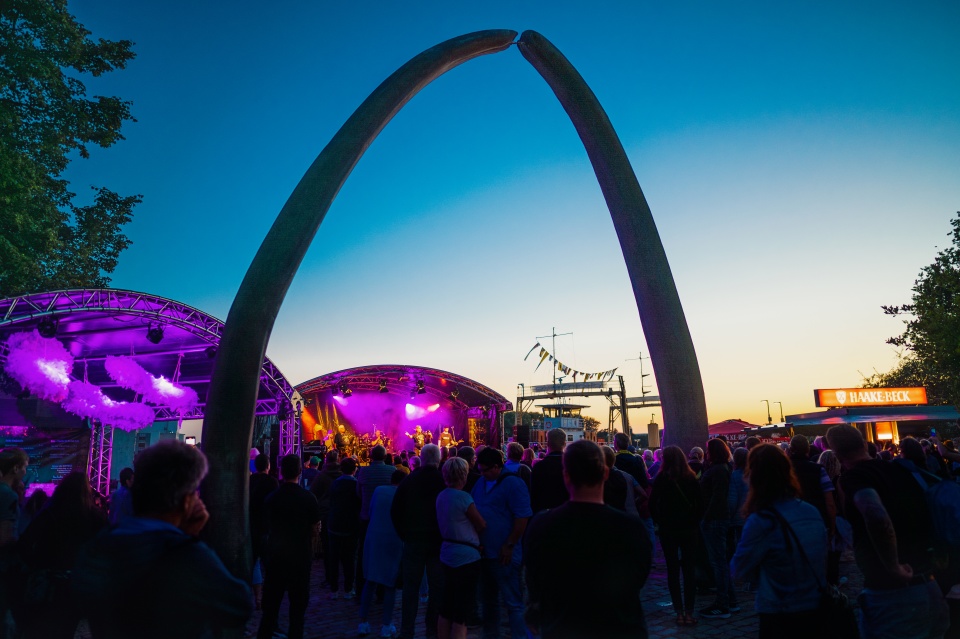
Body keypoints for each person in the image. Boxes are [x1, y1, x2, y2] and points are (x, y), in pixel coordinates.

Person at [72, 440, 251, 639]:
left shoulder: (97, 547)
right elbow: (239, 605)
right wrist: (190, 539)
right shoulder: (187, 556)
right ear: (186, 502)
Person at [826, 424, 949, 639]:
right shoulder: (901, 470)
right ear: (864, 444)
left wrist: (892, 565)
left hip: (892, 592)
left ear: (835, 453)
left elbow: (875, 514)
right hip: (930, 584)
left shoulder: (855, 477)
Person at [524, 439, 651, 638]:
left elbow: (535, 579)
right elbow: (639, 578)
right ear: (606, 473)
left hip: (563, 627)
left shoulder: (542, 525)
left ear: (566, 476)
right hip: (621, 628)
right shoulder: (631, 528)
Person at [730, 444, 828, 638]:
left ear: (753, 476)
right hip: (815, 605)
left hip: (779, 610)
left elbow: (738, 570)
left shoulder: (762, 521)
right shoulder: (811, 511)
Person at [16, 472, 107, 639]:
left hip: (49, 580)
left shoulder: (49, 513)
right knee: (68, 627)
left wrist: (36, 564)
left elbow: (24, 543)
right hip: (77, 581)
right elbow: (107, 547)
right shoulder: (93, 516)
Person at [257, 454, 321, 639]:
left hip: (276, 557)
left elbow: (265, 527)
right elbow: (315, 529)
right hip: (300, 558)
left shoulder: (271, 498)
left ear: (281, 471)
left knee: (270, 609)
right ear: (300, 471)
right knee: (297, 611)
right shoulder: (308, 498)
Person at [471, 446, 532, 639]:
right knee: (488, 602)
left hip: (505, 554)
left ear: (497, 467)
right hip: (484, 553)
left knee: (512, 602)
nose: (482, 473)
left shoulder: (513, 484)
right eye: (480, 469)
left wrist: (510, 543)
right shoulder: (480, 483)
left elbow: (522, 517)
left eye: (486, 469)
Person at [390, 444, 446, 639]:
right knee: (437, 589)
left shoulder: (409, 480)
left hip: (413, 541)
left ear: (421, 459)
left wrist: (404, 534)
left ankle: (407, 632)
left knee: (410, 589)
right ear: (438, 459)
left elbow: (395, 510)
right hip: (437, 542)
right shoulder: (443, 480)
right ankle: (432, 631)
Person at [650, 446, 702, 626]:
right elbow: (700, 503)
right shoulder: (690, 478)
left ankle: (678, 612)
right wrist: (694, 520)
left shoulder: (661, 479)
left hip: (668, 530)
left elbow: (651, 503)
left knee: (672, 570)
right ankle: (689, 612)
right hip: (689, 529)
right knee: (689, 570)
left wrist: (660, 520)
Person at [436, 457, 485, 639]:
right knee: (462, 612)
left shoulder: (441, 496)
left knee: (446, 606)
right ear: (463, 475)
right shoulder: (464, 497)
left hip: (447, 552)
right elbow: (480, 524)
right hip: (467, 557)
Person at [358, 470, 406, 638]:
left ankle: (363, 622)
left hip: (374, 538)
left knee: (370, 581)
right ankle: (386, 625)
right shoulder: (402, 495)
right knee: (390, 584)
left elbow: (370, 512)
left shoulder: (379, 491)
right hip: (393, 540)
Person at [699, 437, 739, 619]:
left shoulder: (717, 470)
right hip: (719, 518)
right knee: (721, 561)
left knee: (718, 562)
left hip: (714, 519)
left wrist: (706, 518)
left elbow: (717, 497)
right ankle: (731, 600)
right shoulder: (724, 468)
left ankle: (723, 604)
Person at [356, 445, 397, 596]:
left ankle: (361, 589)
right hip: (386, 519)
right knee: (385, 554)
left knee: (364, 554)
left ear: (371, 456)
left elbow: (358, 494)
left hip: (367, 518)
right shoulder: (392, 471)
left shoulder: (363, 472)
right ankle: (382, 591)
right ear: (385, 456)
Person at [327, 457, 361, 599]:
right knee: (349, 558)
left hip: (335, 523)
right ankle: (348, 589)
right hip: (351, 526)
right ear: (354, 470)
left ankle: (334, 589)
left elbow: (331, 501)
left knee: (334, 558)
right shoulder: (357, 485)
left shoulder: (335, 484)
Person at [249, 453, 278, 609]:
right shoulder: (272, 482)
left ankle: (256, 599)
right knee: (269, 565)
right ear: (268, 466)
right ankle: (268, 599)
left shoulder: (249, 481)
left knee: (253, 565)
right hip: (266, 527)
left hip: (252, 526)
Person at [310, 449, 341, 573]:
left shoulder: (321, 476)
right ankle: (343, 578)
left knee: (327, 546)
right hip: (340, 513)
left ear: (326, 460)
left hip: (325, 513)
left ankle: (330, 576)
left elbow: (313, 494)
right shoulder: (343, 475)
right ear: (338, 460)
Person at [530, 428, 567, 514]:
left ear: (548, 443)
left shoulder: (538, 467)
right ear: (564, 444)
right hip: (567, 515)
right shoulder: (572, 466)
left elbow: (534, 496)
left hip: (543, 515)